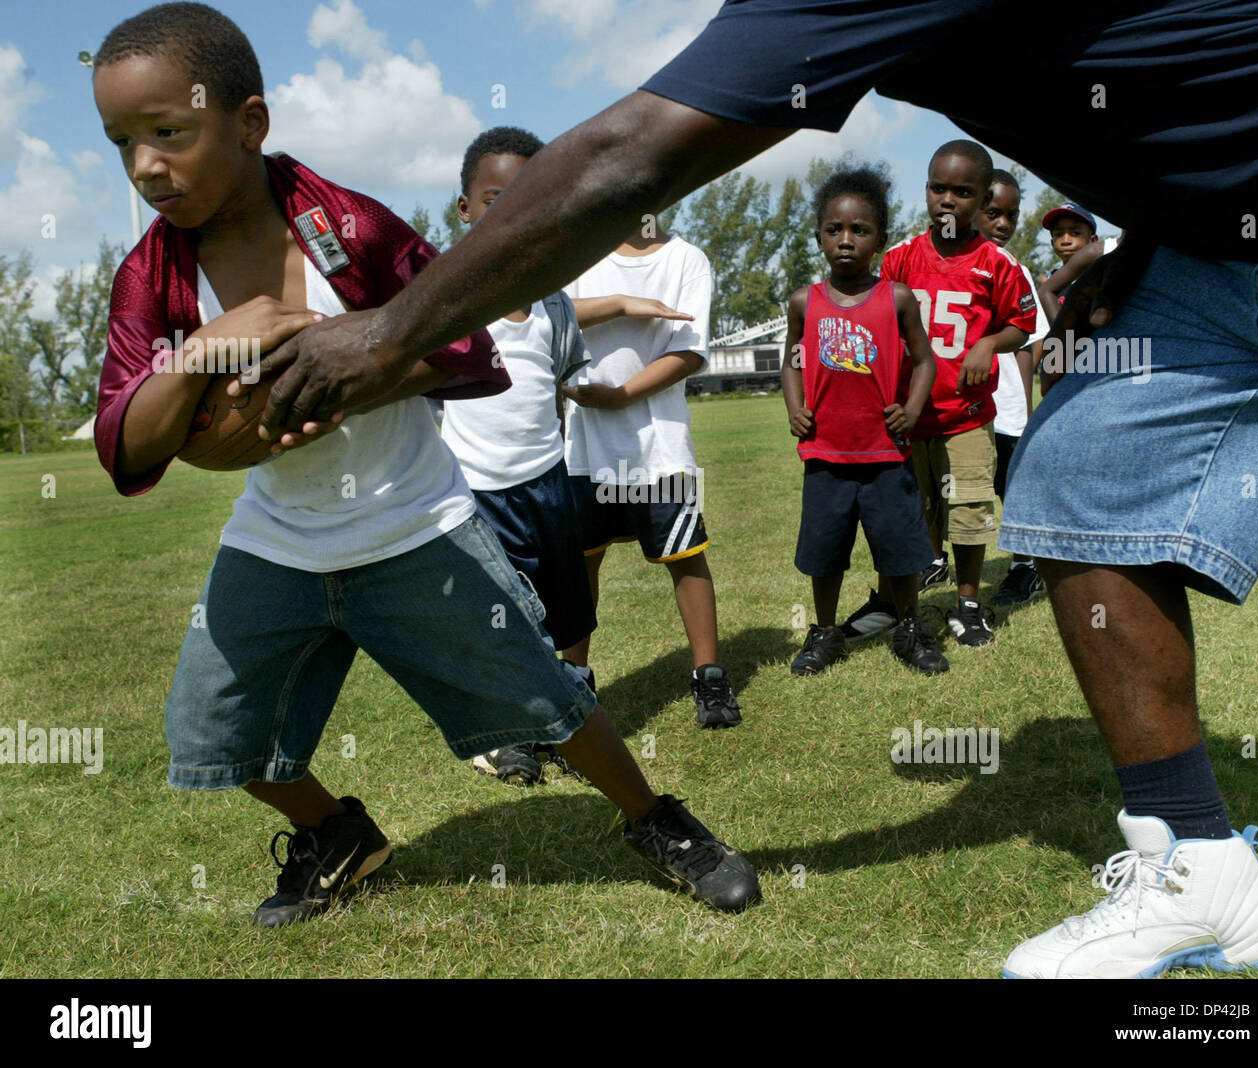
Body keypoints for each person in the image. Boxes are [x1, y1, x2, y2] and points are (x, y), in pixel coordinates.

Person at [253, 0, 1258, 979]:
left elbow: (628, 155)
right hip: (1213, 256)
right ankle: (1200, 866)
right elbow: (1176, 82)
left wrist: (391, 328)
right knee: (1081, 484)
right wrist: (1158, 232)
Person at [91, 2, 760, 925]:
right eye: (121, 141)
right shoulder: (152, 275)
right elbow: (124, 444)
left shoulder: (349, 228)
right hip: (278, 540)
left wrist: (338, 379)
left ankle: (657, 819)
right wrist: (207, 347)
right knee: (213, 732)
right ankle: (338, 835)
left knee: (547, 700)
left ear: (249, 122)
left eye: (168, 132)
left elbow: (468, 353)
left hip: (413, 526)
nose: (145, 166)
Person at [438, 126, 597, 787]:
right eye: (493, 197)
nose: (509, 211)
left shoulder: (555, 302)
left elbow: (564, 375)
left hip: (548, 481)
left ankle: (575, 702)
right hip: (476, 492)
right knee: (499, 612)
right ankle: (507, 733)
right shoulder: (445, 297)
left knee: (569, 606)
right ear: (465, 209)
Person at [847, 141, 1034, 647]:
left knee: (969, 510)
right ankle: (894, 602)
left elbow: (1023, 324)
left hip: (966, 415)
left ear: (982, 198)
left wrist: (990, 342)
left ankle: (968, 604)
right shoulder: (901, 258)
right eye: (938, 188)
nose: (948, 200)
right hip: (907, 416)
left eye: (963, 191)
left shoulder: (998, 263)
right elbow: (875, 327)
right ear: (926, 189)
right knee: (905, 512)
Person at [561, 219, 743, 728]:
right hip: (584, 448)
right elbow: (546, 319)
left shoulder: (687, 259)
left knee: (686, 558)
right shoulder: (578, 254)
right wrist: (619, 302)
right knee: (579, 567)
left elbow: (689, 351)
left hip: (660, 446)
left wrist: (620, 396)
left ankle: (709, 675)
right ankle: (574, 681)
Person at [782, 165, 945, 676]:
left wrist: (913, 408)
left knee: (899, 550)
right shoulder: (803, 302)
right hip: (826, 453)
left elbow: (925, 360)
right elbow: (791, 361)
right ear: (819, 238)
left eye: (859, 230)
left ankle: (910, 629)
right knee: (825, 551)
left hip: (885, 454)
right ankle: (825, 632)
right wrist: (794, 406)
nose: (846, 240)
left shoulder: (897, 299)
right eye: (834, 230)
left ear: (880, 239)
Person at [975, 170, 1049, 606]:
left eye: (1011, 215)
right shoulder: (946, 264)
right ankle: (931, 564)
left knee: (1011, 487)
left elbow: (1033, 336)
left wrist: (1023, 401)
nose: (1003, 223)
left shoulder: (1014, 269)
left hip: (1004, 406)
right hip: (955, 405)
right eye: (993, 213)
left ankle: (1026, 566)